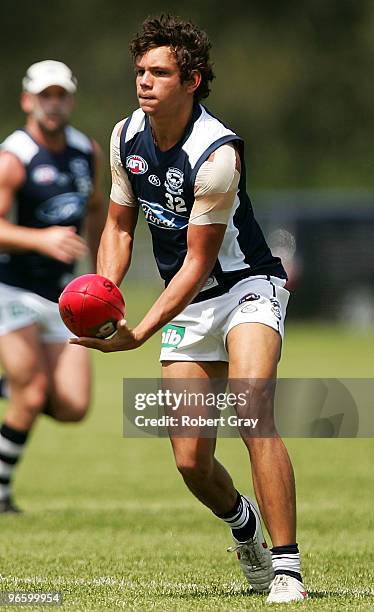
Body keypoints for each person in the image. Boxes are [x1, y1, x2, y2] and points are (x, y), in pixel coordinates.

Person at [71, 15, 307, 604]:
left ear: (192, 80)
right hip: (190, 299)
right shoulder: (126, 136)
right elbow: (120, 229)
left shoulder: (217, 151)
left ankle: (286, 569)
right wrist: (103, 296)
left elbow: (199, 262)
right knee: (190, 461)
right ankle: (243, 525)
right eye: (140, 72)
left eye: (159, 73)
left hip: (245, 285)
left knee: (253, 413)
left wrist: (140, 331)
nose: (145, 83)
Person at [0, 60, 105, 513]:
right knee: (31, 393)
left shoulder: (88, 151)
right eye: (45, 95)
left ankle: (14, 384)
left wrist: (102, 271)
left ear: (70, 99)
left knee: (73, 405)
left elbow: (99, 208)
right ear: (28, 101)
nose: (54, 103)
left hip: (63, 296)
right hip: (11, 289)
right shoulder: (13, 157)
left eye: (61, 95)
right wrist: (39, 240)